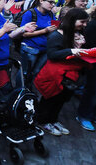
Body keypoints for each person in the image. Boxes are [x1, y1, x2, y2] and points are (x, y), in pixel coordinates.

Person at [34, 8, 92, 136]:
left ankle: (52, 120)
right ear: (72, 20)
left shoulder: (76, 34)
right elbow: (52, 54)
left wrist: (81, 48)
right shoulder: (56, 35)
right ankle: (43, 121)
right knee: (49, 99)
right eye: (82, 22)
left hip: (68, 75)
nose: (85, 25)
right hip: (55, 75)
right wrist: (72, 51)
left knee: (60, 100)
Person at [19, 0, 57, 82]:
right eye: (50, 2)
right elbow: (23, 34)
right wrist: (44, 31)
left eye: (54, 3)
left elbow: (53, 28)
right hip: (30, 49)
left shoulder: (51, 14)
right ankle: (21, 92)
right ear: (41, 1)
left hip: (45, 50)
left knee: (37, 73)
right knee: (25, 74)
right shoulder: (30, 13)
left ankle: (33, 93)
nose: (53, 5)